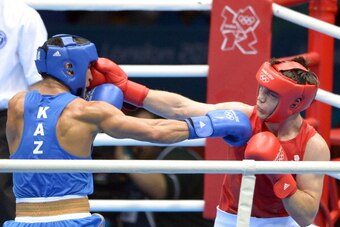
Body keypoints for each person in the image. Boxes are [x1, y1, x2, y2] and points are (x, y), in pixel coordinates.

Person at [4, 34, 252, 227]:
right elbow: (155, 130)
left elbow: (45, 130)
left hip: (23, 218)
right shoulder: (87, 111)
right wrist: (208, 125)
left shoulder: (17, 104)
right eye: (89, 66)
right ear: (71, 67)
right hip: (72, 218)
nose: (92, 76)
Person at [89, 56, 330, 226]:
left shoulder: (313, 146)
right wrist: (128, 89)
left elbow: (305, 216)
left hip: (284, 222)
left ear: (295, 103)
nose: (260, 97)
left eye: (270, 94)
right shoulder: (244, 115)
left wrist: (280, 176)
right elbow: (182, 108)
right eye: (261, 88)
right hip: (232, 219)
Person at [113, 108, 214, 227]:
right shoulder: (143, 160)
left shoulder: (181, 157)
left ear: (160, 133)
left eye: (141, 132)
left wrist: (124, 160)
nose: (136, 139)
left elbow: (161, 189)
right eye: (133, 132)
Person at [0, 0, 47, 224]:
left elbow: (40, 83)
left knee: (6, 199)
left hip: (8, 119)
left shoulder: (21, 17)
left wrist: (39, 130)